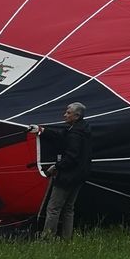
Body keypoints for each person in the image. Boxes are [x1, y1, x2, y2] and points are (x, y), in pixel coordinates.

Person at [32, 103, 92, 240]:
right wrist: (41, 130)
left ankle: (47, 238)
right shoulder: (82, 128)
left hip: (68, 177)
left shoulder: (75, 134)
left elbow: (72, 157)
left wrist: (56, 167)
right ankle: (67, 238)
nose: (65, 115)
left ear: (77, 116)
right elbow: (61, 135)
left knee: (53, 208)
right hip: (80, 176)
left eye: (68, 113)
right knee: (69, 208)